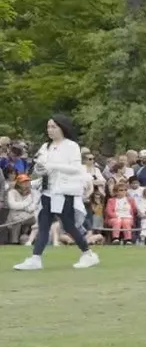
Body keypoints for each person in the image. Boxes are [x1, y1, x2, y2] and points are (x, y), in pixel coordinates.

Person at [13, 115, 101, 270]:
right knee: (43, 222)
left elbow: (75, 169)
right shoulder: (46, 146)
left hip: (63, 191)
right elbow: (41, 168)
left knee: (68, 225)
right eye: (48, 127)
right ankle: (36, 258)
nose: (50, 130)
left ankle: (88, 254)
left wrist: (53, 166)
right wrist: (41, 170)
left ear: (62, 127)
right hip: (48, 190)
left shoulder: (71, 146)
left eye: (53, 127)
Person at [4, 174, 36, 243]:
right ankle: (14, 242)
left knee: (38, 219)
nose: (26, 184)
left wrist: (22, 207)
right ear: (18, 183)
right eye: (23, 182)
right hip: (15, 218)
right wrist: (27, 204)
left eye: (27, 181)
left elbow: (33, 207)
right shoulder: (12, 192)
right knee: (16, 220)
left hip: (28, 217)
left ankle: (35, 240)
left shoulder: (33, 193)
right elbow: (12, 205)